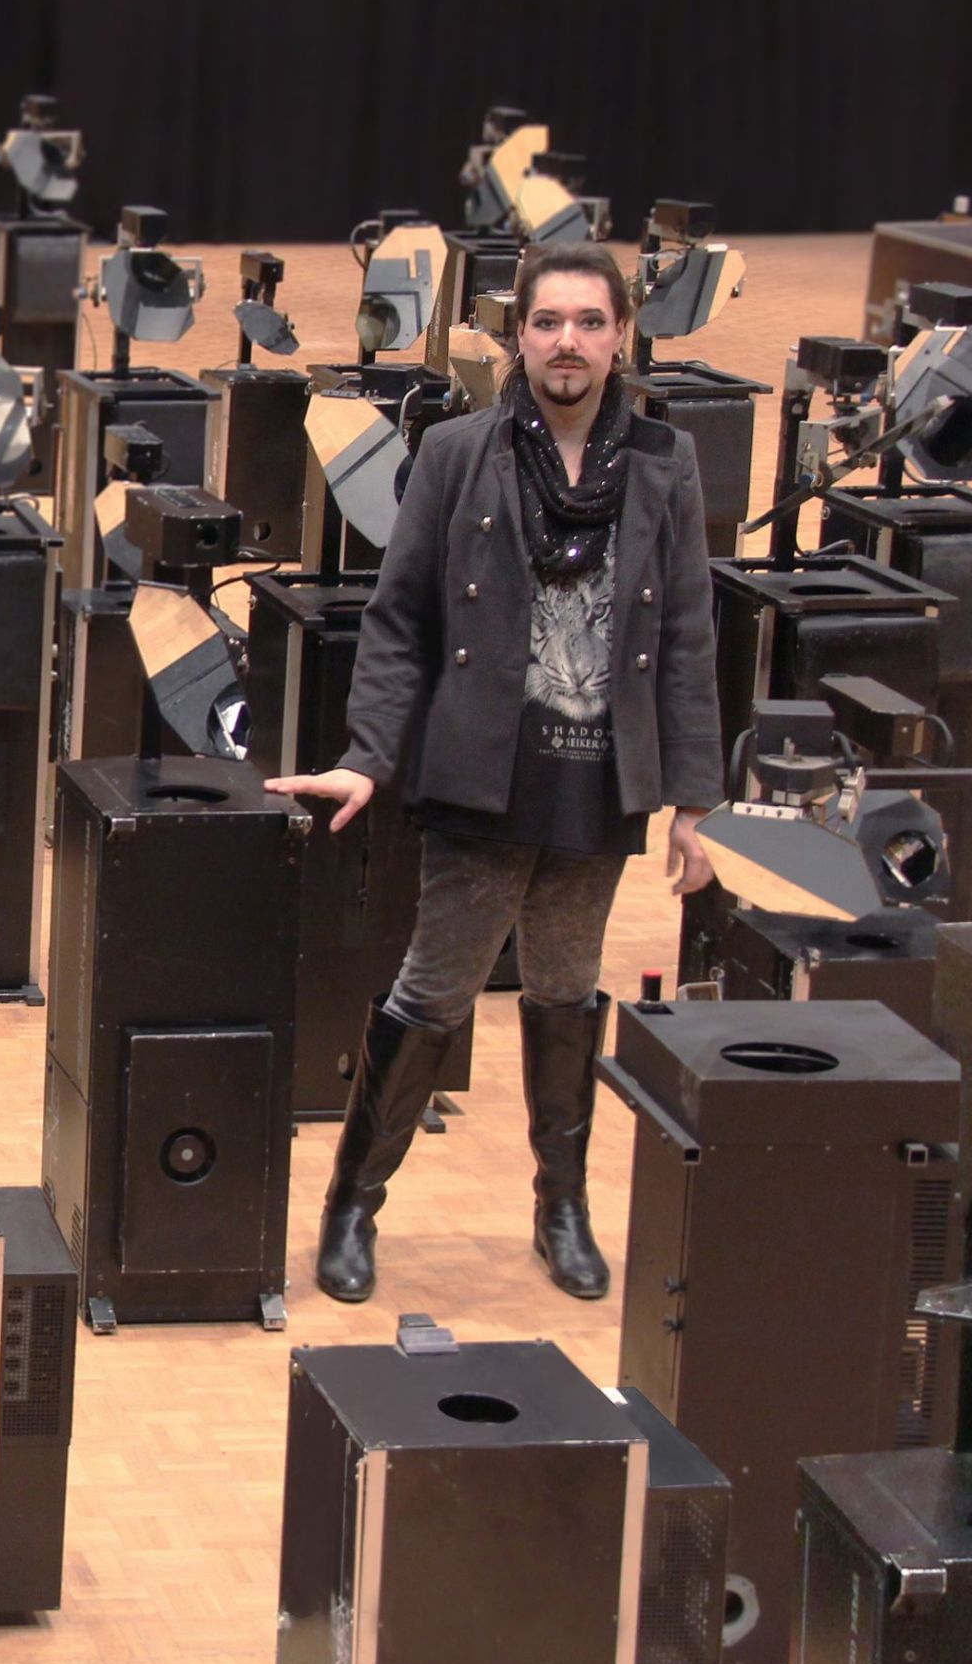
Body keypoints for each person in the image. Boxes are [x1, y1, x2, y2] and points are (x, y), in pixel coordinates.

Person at [267, 241, 721, 1305]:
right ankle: (352, 1204)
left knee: (565, 989)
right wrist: (368, 756)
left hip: (599, 780)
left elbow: (688, 632)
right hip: (482, 774)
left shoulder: (665, 460)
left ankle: (560, 1205)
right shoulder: (456, 451)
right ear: (519, 334)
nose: (568, 342)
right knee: (434, 990)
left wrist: (694, 801)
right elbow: (398, 621)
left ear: (620, 337)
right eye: (548, 321)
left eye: (590, 322)